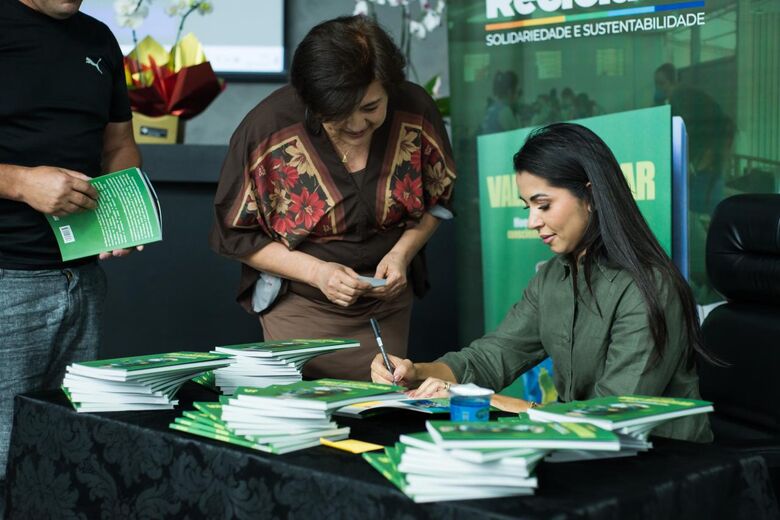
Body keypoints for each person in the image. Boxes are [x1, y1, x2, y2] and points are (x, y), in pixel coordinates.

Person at [372, 123, 715, 443]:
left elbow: (610, 415)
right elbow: (494, 356)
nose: (532, 221)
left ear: (591, 196)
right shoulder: (552, 276)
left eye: (544, 205)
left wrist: (498, 403)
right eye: (528, 206)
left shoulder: (649, 286)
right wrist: (414, 372)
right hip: (580, 449)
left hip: (663, 462)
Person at [210, 15, 456, 381]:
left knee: (380, 409)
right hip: (302, 304)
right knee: (308, 415)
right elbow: (236, 236)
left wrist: (400, 255)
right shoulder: (267, 129)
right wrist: (317, 272)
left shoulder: (414, 111)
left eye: (371, 108)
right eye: (339, 114)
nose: (357, 124)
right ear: (311, 100)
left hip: (386, 303)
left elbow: (439, 199)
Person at [0, 0, 141, 487]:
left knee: (71, 459)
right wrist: (20, 183)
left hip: (82, 283)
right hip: (6, 282)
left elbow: (118, 145)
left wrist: (125, 216)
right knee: (4, 458)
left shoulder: (99, 38)